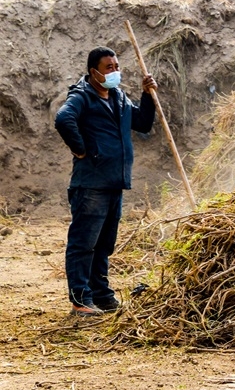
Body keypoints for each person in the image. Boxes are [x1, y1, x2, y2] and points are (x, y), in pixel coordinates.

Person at [54, 46, 157, 317]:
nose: (115, 72)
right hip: (91, 183)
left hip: (114, 182)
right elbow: (64, 119)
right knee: (83, 243)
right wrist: (80, 149)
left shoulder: (119, 98)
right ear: (93, 72)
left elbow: (144, 124)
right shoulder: (83, 97)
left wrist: (148, 95)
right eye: (108, 68)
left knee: (104, 244)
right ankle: (81, 300)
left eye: (116, 66)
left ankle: (101, 295)